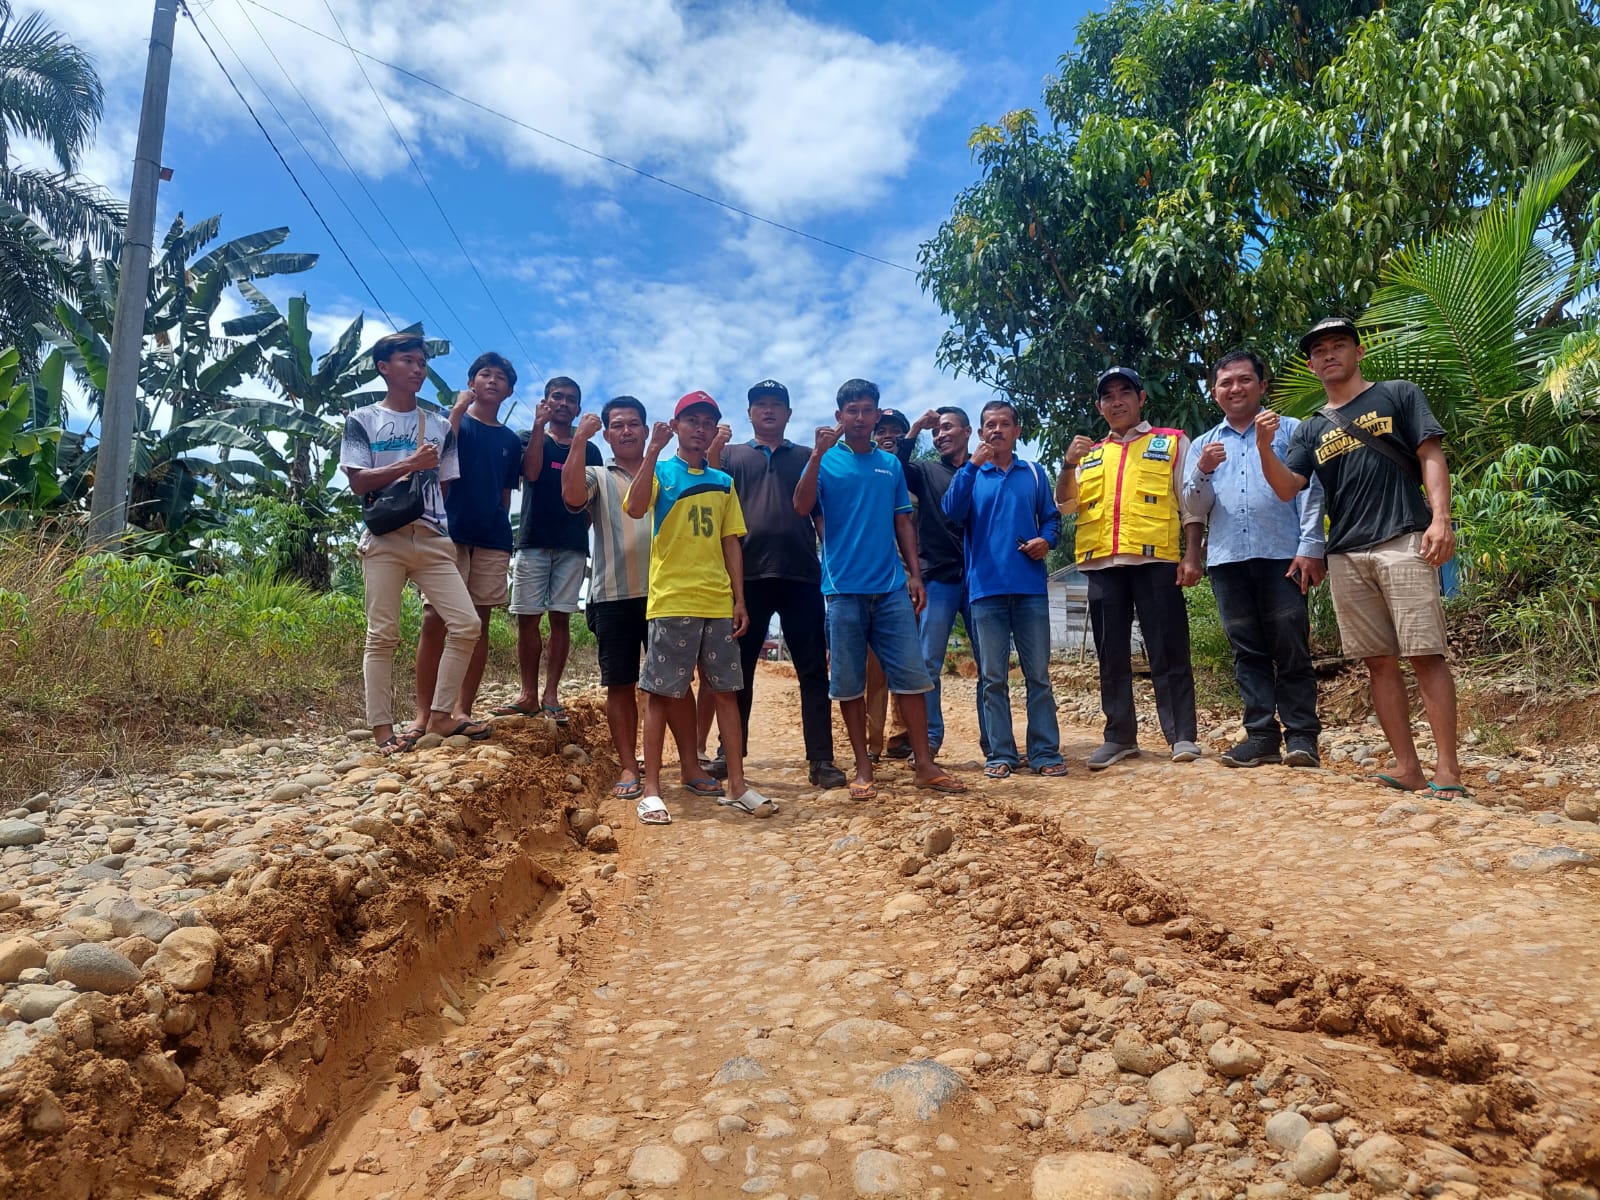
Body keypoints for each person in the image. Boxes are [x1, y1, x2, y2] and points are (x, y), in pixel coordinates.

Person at [1255, 317, 1465, 796]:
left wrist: (1441, 518)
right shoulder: (1308, 430)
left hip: (1403, 538)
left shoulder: (1397, 394)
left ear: (1358, 351)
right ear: (1311, 366)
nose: (1329, 355)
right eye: (1320, 351)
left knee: (1425, 654)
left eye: (1339, 345)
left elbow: (1431, 454)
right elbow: (1288, 487)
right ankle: (1408, 767)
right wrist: (1266, 449)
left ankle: (1448, 771)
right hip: (1346, 553)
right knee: (1379, 661)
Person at [792, 379, 968, 800]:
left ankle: (924, 764)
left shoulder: (889, 466)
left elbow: (903, 521)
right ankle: (863, 766)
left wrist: (914, 574)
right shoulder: (826, 462)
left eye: (866, 410)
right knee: (850, 684)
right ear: (839, 417)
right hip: (842, 589)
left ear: (876, 415)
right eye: (850, 410)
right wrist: (816, 454)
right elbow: (801, 506)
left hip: (890, 588)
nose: (858, 418)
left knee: (912, 677)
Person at [623, 391, 773, 823]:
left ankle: (738, 786)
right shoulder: (663, 472)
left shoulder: (724, 482)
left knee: (725, 692)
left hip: (716, 601)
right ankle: (652, 790)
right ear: (677, 425)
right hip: (671, 599)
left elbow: (731, 542)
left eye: (709, 421)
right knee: (659, 693)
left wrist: (739, 598)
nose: (701, 428)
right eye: (692, 420)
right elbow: (634, 508)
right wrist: (651, 449)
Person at [339, 331, 487, 754]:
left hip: (433, 538)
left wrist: (426, 498)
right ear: (384, 367)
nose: (418, 368)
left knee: (466, 624)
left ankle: (441, 714)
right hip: (384, 537)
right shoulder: (362, 419)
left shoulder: (440, 425)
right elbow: (357, 482)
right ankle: (382, 730)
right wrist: (409, 463)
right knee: (381, 635)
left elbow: (445, 483)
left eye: (422, 362)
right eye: (407, 361)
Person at [562, 396, 713, 802]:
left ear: (647, 430)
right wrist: (578, 441)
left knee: (677, 686)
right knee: (620, 684)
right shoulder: (596, 473)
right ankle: (630, 765)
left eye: (633, 424)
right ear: (607, 435)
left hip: (669, 594)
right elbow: (573, 496)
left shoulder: (665, 472)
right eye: (617, 425)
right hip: (612, 594)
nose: (626, 430)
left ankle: (690, 765)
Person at [1184, 348, 1326, 768]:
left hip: (1283, 554)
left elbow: (1310, 491)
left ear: (1263, 386)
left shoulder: (1292, 430)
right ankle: (1262, 737)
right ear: (1215, 393)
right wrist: (1203, 470)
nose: (1235, 388)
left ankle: (1302, 738)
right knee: (1247, 651)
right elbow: (1195, 505)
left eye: (1244, 380)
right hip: (1228, 559)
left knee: (1292, 646)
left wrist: (1310, 546)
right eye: (1226, 383)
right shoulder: (1203, 444)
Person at [1057, 367, 1204, 768]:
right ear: (1099, 405)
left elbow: (1190, 503)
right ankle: (1119, 736)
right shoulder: (1088, 454)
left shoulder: (1172, 442)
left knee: (1168, 650)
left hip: (1156, 561)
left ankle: (1182, 736)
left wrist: (1193, 554)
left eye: (1125, 392)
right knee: (1111, 655)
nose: (1117, 401)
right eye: (1108, 396)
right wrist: (1068, 465)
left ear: (1142, 399)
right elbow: (1066, 505)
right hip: (1102, 564)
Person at [716, 380, 847, 789]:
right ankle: (729, 754)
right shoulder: (731, 456)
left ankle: (821, 760)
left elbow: (820, 516)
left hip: (801, 575)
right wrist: (714, 450)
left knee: (812, 671)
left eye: (777, 405)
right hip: (747, 578)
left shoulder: (810, 457)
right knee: (740, 672)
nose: (768, 410)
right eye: (760, 405)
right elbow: (714, 504)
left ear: (789, 414)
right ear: (750, 413)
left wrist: (833, 570)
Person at [942, 399, 1065, 777]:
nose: (996, 430)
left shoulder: (1033, 471)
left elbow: (1052, 519)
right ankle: (1000, 754)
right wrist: (972, 465)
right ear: (979, 434)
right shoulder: (970, 473)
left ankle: (1044, 753)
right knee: (992, 678)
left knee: (1038, 676)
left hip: (1030, 589)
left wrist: (1046, 541)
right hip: (984, 591)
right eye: (989, 425)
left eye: (1004, 424)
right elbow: (951, 511)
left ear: (1017, 430)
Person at [410, 352, 523, 732]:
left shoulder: (509, 440)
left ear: (509, 392)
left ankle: (460, 710)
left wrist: (502, 530)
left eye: (500, 377)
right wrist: (457, 410)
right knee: (434, 620)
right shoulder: (449, 422)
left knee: (478, 622)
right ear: (471, 382)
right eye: (484, 374)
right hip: (447, 532)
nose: (492, 381)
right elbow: (437, 456)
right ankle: (424, 714)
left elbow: (507, 494)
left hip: (491, 537)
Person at [499, 376, 602, 724]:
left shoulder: (590, 448)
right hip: (531, 540)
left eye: (571, 399)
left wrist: (578, 528)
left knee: (561, 618)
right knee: (527, 618)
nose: (563, 403)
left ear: (578, 407)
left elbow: (593, 499)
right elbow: (531, 472)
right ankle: (528, 694)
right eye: (557, 397)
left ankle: (551, 693)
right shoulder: (529, 437)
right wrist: (538, 425)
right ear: (545, 401)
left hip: (572, 547)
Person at [897, 406, 989, 762]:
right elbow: (897, 469)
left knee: (990, 664)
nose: (940, 436)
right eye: (936, 432)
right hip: (939, 578)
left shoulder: (985, 470)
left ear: (968, 432)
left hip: (982, 580)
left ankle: (993, 741)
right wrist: (916, 428)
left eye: (948, 428)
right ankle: (931, 737)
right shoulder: (925, 471)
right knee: (928, 662)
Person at [867, 407, 914, 762]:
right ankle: (872, 741)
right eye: (882, 430)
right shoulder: (866, 475)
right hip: (871, 582)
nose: (889, 436)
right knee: (874, 670)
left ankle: (903, 736)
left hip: (908, 581)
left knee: (908, 664)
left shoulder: (913, 476)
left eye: (896, 431)